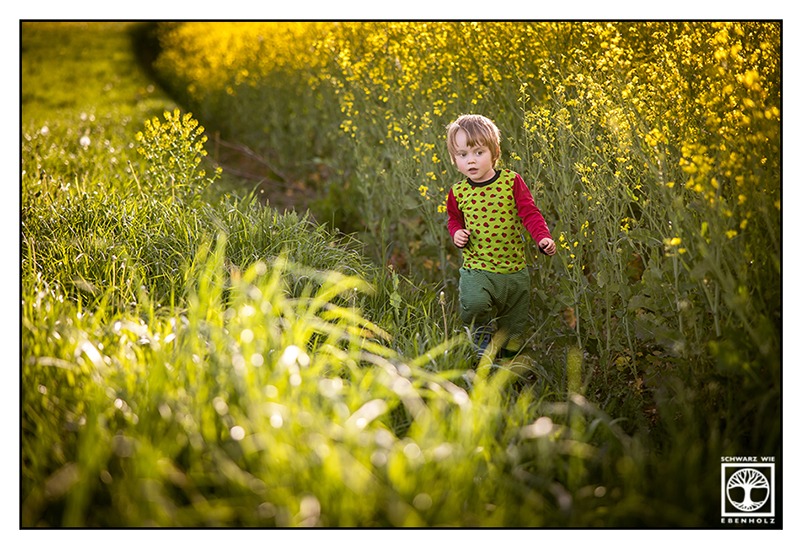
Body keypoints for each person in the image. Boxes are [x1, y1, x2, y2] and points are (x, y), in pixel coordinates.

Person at [445, 114, 556, 360]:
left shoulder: (511, 181)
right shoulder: (458, 191)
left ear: (494, 152)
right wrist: (457, 233)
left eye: (478, 152)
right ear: (454, 160)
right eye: (462, 155)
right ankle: (481, 336)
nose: (471, 161)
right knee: (474, 304)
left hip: (513, 270)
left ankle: (507, 368)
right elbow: (454, 219)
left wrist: (542, 238)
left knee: (513, 328)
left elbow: (530, 213)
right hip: (477, 267)